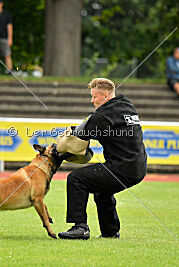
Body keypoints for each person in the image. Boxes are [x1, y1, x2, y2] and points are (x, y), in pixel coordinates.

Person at [58, 78, 147, 240]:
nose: (92, 100)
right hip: (138, 167)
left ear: (105, 95)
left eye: (94, 96)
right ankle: (110, 232)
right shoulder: (126, 105)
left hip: (122, 168)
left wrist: (57, 149)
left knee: (76, 179)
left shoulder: (103, 116)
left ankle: (80, 227)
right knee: (102, 191)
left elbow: (78, 136)